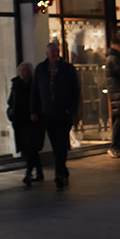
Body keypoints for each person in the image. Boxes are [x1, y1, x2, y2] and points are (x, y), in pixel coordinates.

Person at [31, 40, 81, 187]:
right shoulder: (41, 69)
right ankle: (62, 171)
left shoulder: (67, 69)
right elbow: (35, 91)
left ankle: (59, 173)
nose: (55, 54)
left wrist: (70, 109)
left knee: (61, 143)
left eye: (56, 51)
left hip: (63, 113)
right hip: (48, 113)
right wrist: (34, 110)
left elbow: (76, 90)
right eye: (52, 52)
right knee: (55, 144)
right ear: (47, 54)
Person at [7, 61, 44, 185]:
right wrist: (11, 114)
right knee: (30, 148)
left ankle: (28, 173)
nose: (23, 73)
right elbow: (11, 101)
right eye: (21, 70)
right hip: (20, 120)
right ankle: (38, 171)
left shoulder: (35, 84)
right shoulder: (16, 85)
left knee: (31, 146)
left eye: (25, 70)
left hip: (33, 120)